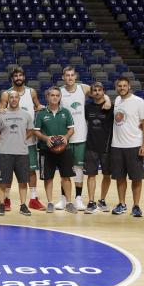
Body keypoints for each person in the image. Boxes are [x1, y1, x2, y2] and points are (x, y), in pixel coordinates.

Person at [58, 65, 111, 211]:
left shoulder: (83, 88)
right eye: (67, 75)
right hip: (65, 137)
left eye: (72, 75)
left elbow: (98, 91)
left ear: (76, 76)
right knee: (65, 170)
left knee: (79, 169)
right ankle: (63, 198)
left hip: (81, 136)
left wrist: (107, 99)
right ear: (63, 77)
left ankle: (78, 198)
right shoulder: (60, 92)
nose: (69, 78)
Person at [0, 66, 45, 211]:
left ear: (24, 77)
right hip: (12, 141)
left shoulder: (31, 92)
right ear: (12, 78)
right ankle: (6, 199)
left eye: (20, 75)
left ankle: (33, 199)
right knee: (9, 172)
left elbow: (38, 107)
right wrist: (1, 110)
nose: (18, 78)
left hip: (28, 140)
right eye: (16, 76)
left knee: (31, 171)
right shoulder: (6, 94)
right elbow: (1, 109)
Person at [32, 86, 77, 214]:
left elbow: (71, 129)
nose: (55, 97)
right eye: (52, 95)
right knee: (48, 178)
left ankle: (68, 202)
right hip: (46, 150)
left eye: (57, 95)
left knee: (66, 177)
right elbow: (36, 131)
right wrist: (46, 138)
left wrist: (66, 137)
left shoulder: (66, 112)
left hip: (65, 149)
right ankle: (50, 202)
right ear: (47, 97)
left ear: (60, 97)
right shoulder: (41, 113)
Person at [110, 76, 144, 217]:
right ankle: (122, 204)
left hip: (134, 145)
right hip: (117, 146)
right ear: (116, 88)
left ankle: (136, 206)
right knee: (120, 178)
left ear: (129, 87)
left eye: (124, 86)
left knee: (136, 178)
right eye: (119, 86)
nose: (122, 88)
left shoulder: (139, 102)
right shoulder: (117, 101)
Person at [0, 90, 35, 216]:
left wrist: (21, 139)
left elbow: (30, 130)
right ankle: (1, 204)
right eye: (11, 97)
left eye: (16, 97)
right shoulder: (1, 115)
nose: (13, 99)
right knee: (1, 181)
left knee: (23, 181)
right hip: (5, 153)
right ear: (8, 99)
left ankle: (23, 205)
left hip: (22, 153)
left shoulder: (26, 115)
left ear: (19, 99)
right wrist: (5, 141)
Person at [84, 82, 114, 214]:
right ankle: (91, 202)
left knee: (107, 175)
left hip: (107, 146)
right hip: (91, 145)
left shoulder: (110, 107)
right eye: (94, 90)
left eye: (99, 90)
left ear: (104, 92)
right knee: (91, 175)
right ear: (91, 93)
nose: (97, 92)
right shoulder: (87, 107)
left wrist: (108, 100)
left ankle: (102, 200)